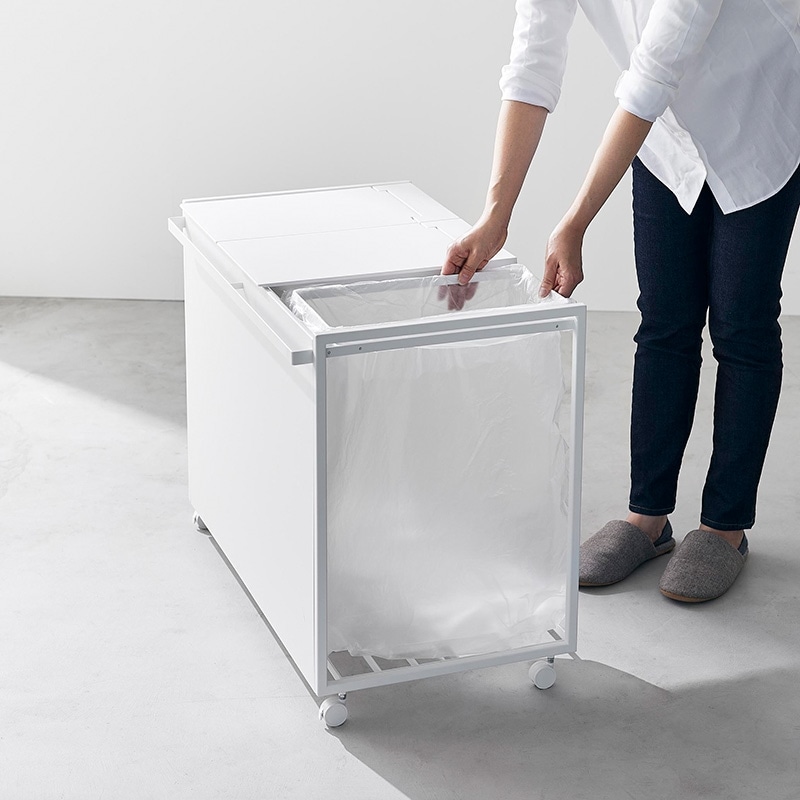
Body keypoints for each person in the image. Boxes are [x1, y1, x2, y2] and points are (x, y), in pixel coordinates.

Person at [442, 0, 800, 602]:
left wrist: (575, 221)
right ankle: (647, 519)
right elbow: (531, 67)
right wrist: (495, 215)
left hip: (755, 115)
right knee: (663, 321)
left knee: (742, 325)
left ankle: (725, 526)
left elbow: (652, 75)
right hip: (663, 137)